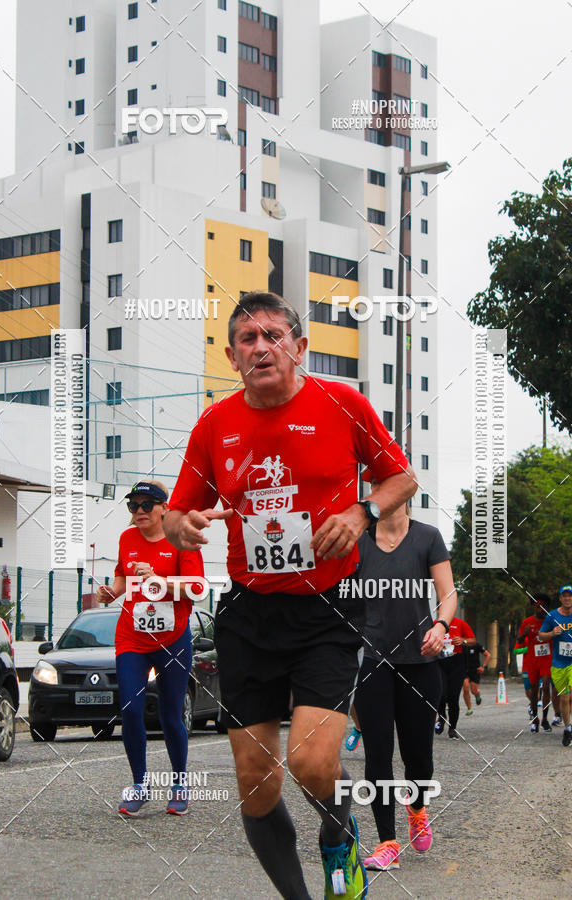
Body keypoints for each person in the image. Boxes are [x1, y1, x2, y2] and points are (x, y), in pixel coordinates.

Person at [163, 292, 416, 900]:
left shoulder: (342, 403)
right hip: (250, 613)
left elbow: (401, 476)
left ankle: (339, 829)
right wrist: (183, 525)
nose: (261, 348)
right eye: (248, 340)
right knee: (257, 782)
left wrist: (361, 512)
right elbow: (176, 512)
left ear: (299, 348)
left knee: (309, 763)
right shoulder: (214, 425)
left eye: (274, 335)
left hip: (328, 605)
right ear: (231, 355)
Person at [351, 481, 457, 873]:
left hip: (421, 662)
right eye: (375, 484)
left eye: (388, 484)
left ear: (405, 491)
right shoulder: (358, 539)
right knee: (377, 754)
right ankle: (386, 842)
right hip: (373, 662)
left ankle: (417, 808)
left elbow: (447, 592)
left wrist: (441, 625)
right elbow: (341, 595)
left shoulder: (427, 536)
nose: (380, 491)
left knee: (419, 758)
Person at [96, 480, 204, 816]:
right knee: (130, 709)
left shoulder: (182, 540)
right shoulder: (127, 539)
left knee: (171, 714)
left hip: (172, 639)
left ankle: (179, 783)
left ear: (164, 508)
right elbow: (121, 575)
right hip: (132, 637)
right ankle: (139, 785)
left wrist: (158, 578)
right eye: (133, 506)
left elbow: (197, 588)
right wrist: (112, 592)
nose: (139, 511)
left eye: (147, 505)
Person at [538, 585, 572, 746]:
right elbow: (541, 636)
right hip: (558, 663)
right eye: (565, 596)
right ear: (561, 598)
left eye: (570, 596)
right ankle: (568, 727)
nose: (567, 598)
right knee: (564, 698)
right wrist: (551, 633)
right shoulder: (552, 616)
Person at [513, 593, 553, 732]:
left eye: (543, 606)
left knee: (546, 684)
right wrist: (524, 634)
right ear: (534, 608)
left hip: (547, 657)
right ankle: (535, 718)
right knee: (534, 689)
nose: (540, 609)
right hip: (532, 658)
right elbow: (518, 641)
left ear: (546, 607)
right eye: (537, 606)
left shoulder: (550, 621)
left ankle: (545, 719)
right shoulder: (527, 622)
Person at [435, 616, 476, 739]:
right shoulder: (435, 624)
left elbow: (473, 640)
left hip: (456, 663)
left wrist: (463, 640)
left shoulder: (460, 623)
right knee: (441, 694)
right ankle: (442, 717)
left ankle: (452, 728)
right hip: (440, 662)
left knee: (453, 697)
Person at [462, 642, 491, 715]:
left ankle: (477, 694)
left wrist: (483, 667)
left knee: (473, 691)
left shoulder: (476, 645)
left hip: (475, 671)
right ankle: (469, 709)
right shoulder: (460, 646)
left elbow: (488, 655)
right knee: (465, 688)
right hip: (464, 671)